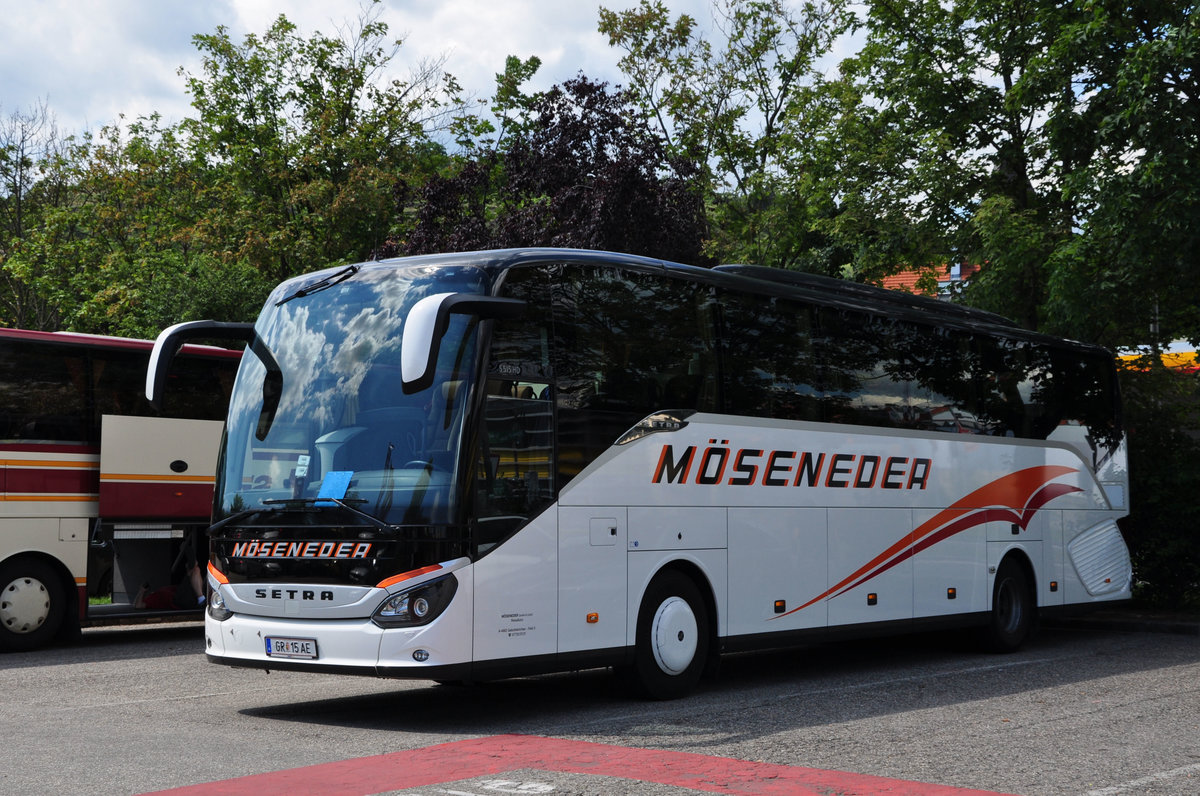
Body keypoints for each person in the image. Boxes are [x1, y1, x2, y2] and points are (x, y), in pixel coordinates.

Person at [134, 562, 205, 610]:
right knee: (195, 569)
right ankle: (201, 599)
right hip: (177, 601)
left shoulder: (159, 592)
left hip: (183, 595)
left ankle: (201, 598)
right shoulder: (151, 599)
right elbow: (137, 605)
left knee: (195, 569)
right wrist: (141, 591)